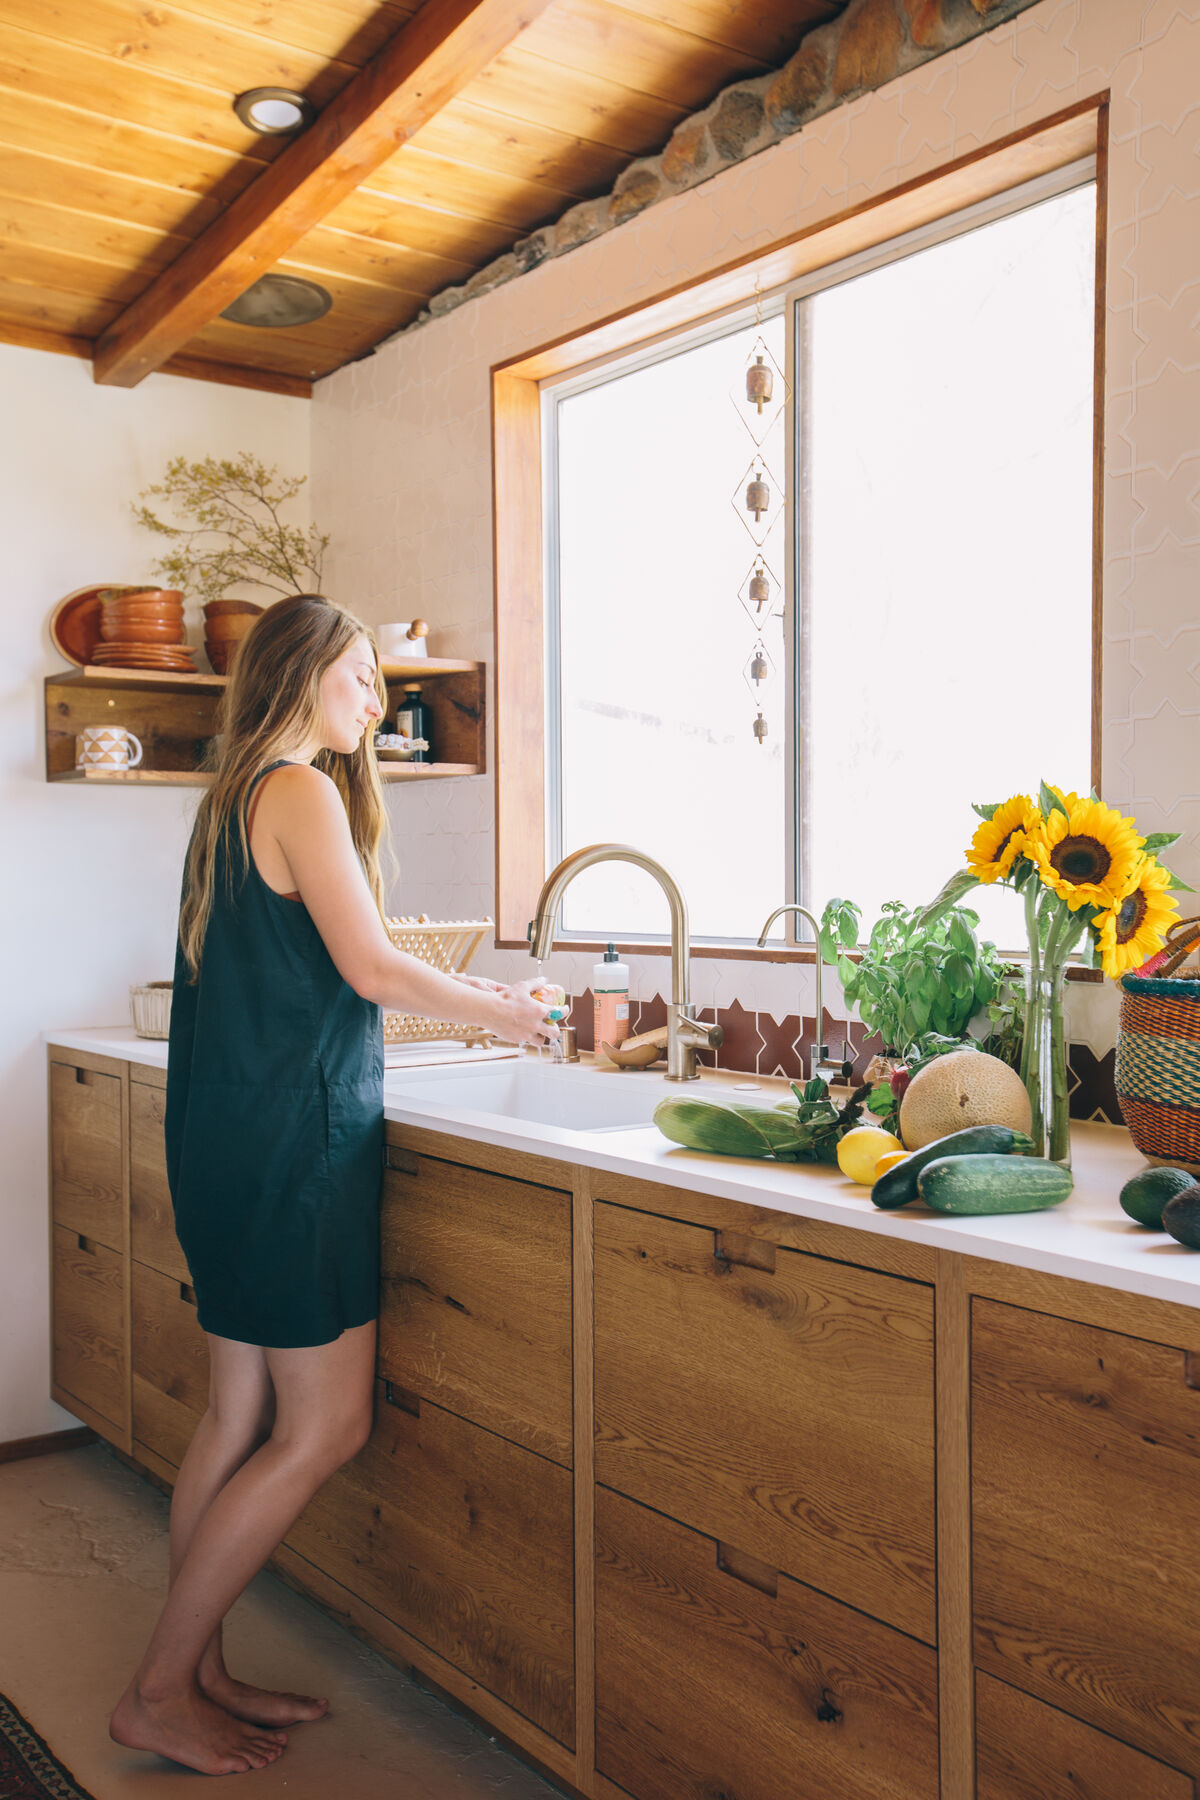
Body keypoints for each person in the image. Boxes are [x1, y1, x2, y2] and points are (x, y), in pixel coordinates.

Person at [109, 594, 556, 1776]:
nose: (376, 701)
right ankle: (158, 1689)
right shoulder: (301, 790)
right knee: (325, 1426)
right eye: (360, 677)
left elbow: (335, 967)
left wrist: (480, 1005)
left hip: (230, 1139)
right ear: (302, 676)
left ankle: (194, 1668)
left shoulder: (236, 796)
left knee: (237, 1415)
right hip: (290, 1150)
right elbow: (370, 968)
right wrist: (504, 1013)